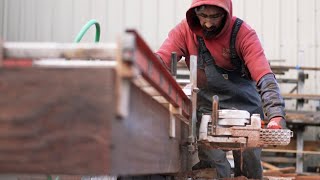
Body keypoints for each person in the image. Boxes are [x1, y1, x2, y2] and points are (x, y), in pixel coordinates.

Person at [155, 0, 287, 179]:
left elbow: (264, 76)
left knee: (250, 164)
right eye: (203, 16)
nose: (208, 23)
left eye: (214, 16)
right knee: (214, 167)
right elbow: (160, 61)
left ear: (226, 13)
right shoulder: (185, 31)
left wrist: (276, 115)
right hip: (207, 111)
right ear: (195, 13)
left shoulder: (243, 34)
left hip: (246, 110)